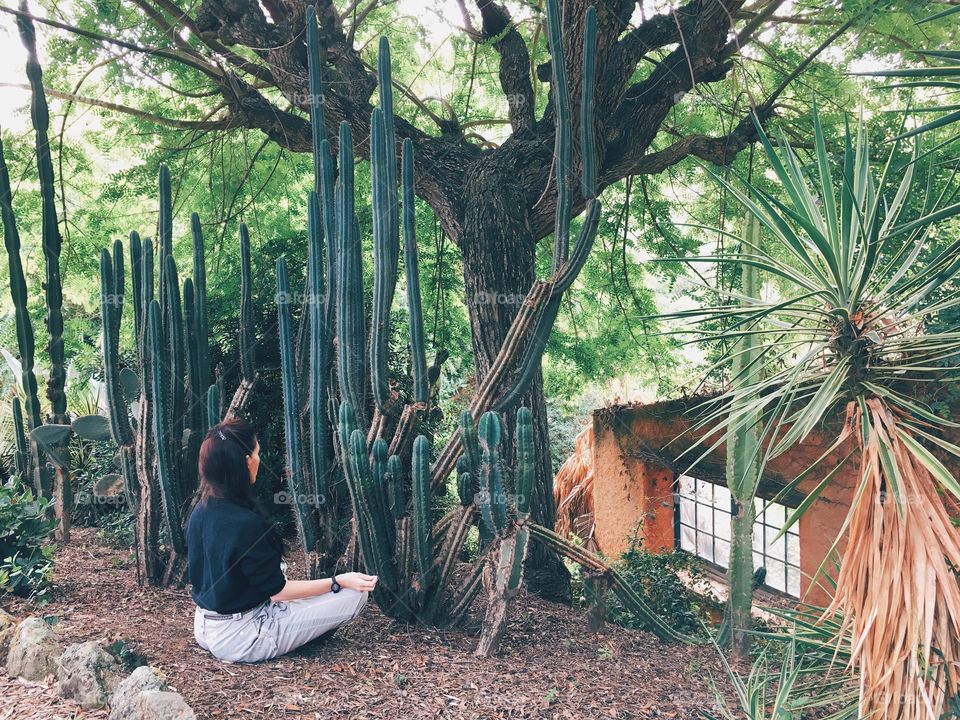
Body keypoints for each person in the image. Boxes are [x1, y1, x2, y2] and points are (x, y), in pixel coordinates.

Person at [186, 417, 378, 663]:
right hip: (242, 637)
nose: (259, 460)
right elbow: (278, 592)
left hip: (205, 625)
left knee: (323, 594)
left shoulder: (201, 510)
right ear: (246, 462)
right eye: (257, 453)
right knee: (354, 595)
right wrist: (337, 580)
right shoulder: (247, 524)